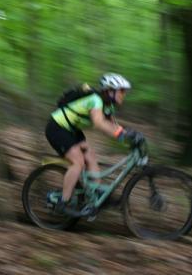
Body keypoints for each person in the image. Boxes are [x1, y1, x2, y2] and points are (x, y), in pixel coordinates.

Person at [45, 73, 145, 217]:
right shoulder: (96, 100)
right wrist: (123, 134)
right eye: (122, 91)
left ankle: (96, 194)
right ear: (110, 91)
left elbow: (113, 127)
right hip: (57, 127)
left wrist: (130, 137)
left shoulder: (108, 106)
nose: (124, 94)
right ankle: (63, 201)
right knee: (77, 162)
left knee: (90, 156)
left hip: (72, 129)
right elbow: (99, 123)